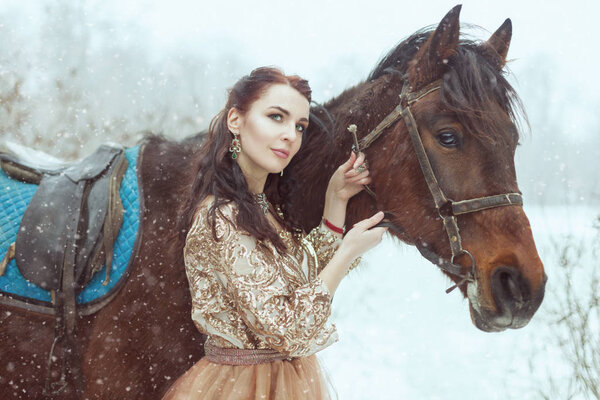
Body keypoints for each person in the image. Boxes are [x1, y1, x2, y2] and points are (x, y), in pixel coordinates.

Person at [163, 67, 387, 399]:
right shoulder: (222, 217)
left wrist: (336, 199)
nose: (290, 136)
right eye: (276, 117)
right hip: (239, 388)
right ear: (235, 121)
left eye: (299, 126)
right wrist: (347, 253)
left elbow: (303, 281)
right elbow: (289, 330)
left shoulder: (263, 208)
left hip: (287, 381)